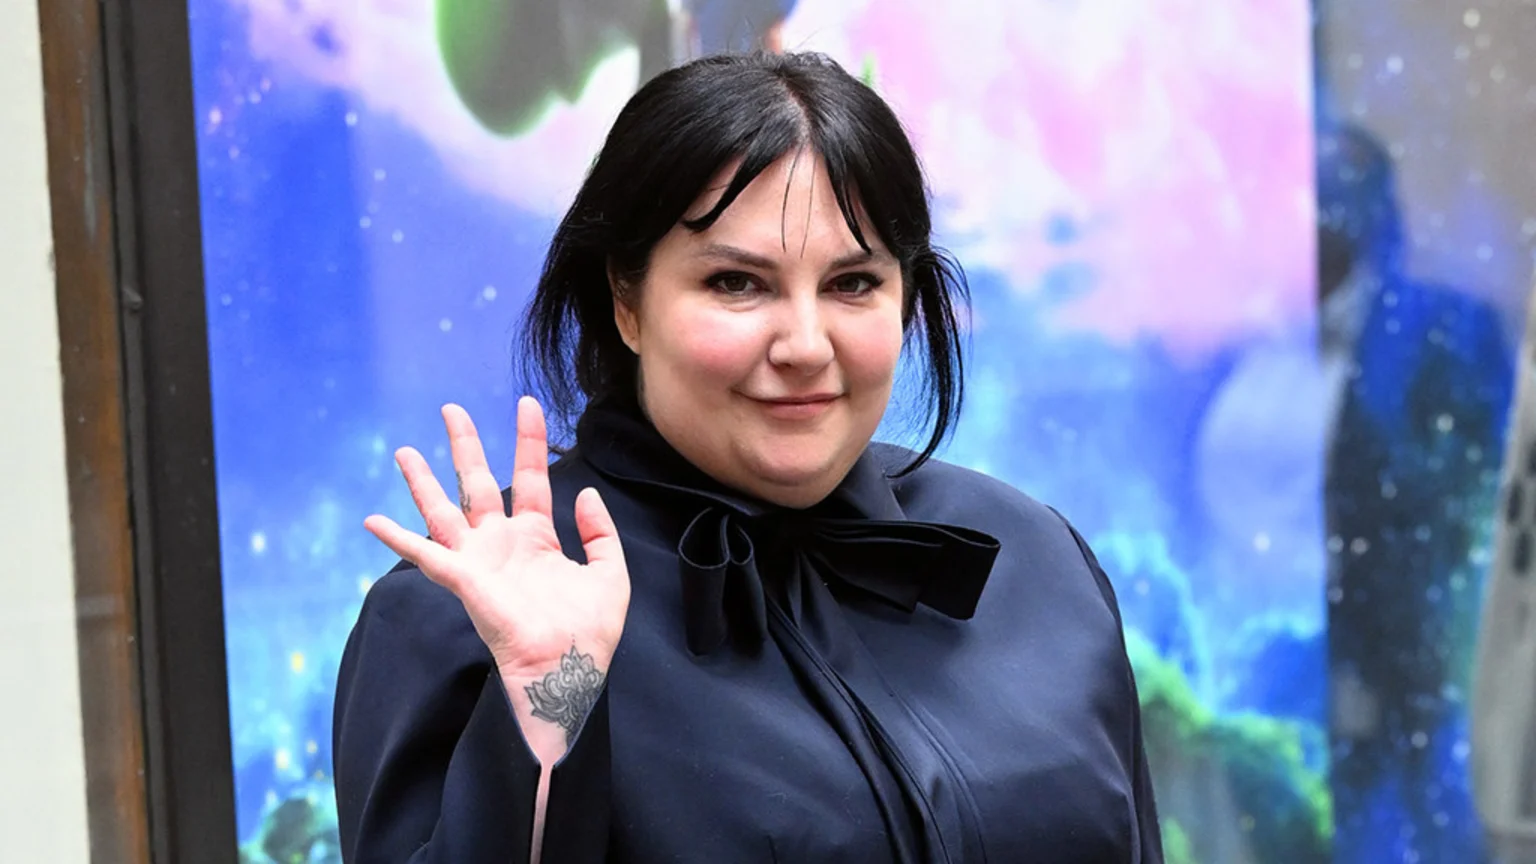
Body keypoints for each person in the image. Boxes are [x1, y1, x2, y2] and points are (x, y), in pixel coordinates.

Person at [333, 51, 1163, 864]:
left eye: (853, 283)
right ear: (626, 300)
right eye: (737, 283)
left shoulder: (1033, 559)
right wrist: (554, 704)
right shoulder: (471, 614)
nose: (805, 344)